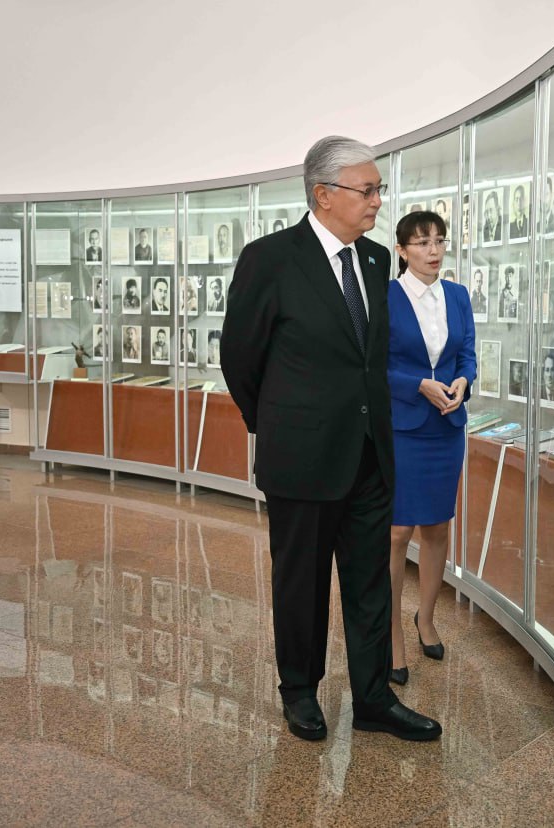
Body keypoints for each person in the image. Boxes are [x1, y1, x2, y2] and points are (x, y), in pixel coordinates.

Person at [221, 135, 440, 743]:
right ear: (323, 195)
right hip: (302, 457)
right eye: (367, 190)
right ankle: (299, 691)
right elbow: (239, 359)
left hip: (369, 455)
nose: (377, 201)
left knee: (370, 582)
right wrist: (279, 425)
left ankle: (372, 697)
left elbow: (371, 359)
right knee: (303, 583)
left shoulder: (374, 260)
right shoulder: (270, 259)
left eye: (378, 189)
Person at [385, 210, 476, 686]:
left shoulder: (457, 296)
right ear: (402, 250)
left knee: (437, 528)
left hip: (446, 429)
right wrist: (417, 384)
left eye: (439, 240)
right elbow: (373, 366)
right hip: (404, 428)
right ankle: (392, 634)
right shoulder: (386, 296)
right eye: (422, 243)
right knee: (398, 533)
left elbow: (467, 355)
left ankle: (425, 617)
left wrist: (463, 382)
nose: (434, 250)